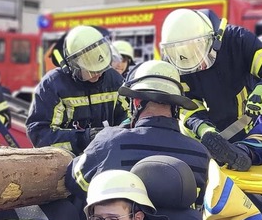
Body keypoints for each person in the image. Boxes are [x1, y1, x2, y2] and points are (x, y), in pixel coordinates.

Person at [159, 8, 262, 171]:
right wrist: (204, 129)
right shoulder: (176, 59)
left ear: (213, 39)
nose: (198, 66)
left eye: (197, 53)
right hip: (215, 134)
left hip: (252, 120)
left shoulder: (238, 39)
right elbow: (186, 103)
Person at [66, 60, 210, 208]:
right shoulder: (200, 154)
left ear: (135, 103)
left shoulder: (109, 142)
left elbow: (75, 182)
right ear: (176, 107)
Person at [26, 25, 130, 155]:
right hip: (68, 163)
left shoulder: (113, 79)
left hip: (106, 156)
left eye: (101, 68)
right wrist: (83, 138)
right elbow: (40, 134)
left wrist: (122, 130)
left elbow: (128, 114)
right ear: (73, 65)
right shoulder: (53, 86)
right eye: (91, 70)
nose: (97, 74)